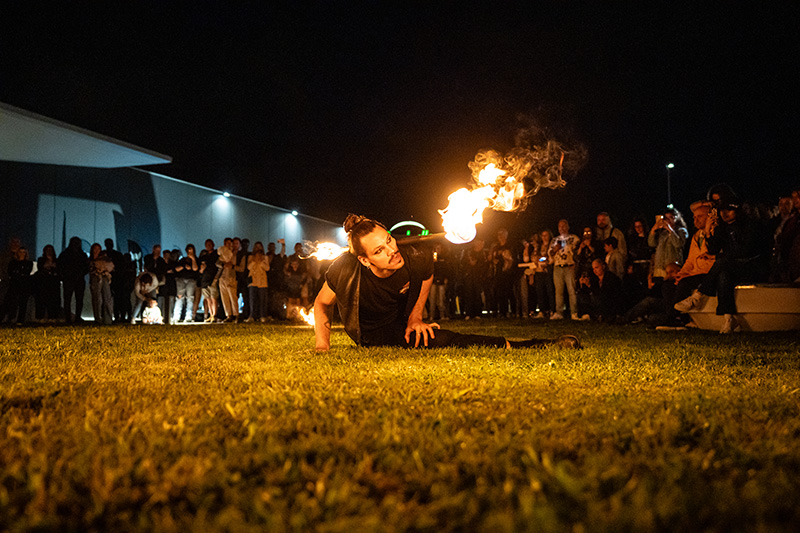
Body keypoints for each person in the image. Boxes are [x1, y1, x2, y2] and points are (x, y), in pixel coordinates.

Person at [313, 214, 580, 351]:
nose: (391, 251)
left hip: (401, 317)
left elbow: (427, 273)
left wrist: (416, 316)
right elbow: (322, 304)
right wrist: (322, 345)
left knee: (421, 329)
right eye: (378, 251)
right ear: (363, 260)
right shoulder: (345, 269)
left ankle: (532, 343)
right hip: (372, 332)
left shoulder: (413, 256)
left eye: (389, 241)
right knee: (438, 340)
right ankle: (528, 345)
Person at [675, 197, 771, 333]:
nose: (725, 214)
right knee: (723, 274)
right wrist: (708, 232)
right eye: (722, 210)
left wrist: (718, 256)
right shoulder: (723, 227)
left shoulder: (749, 225)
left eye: (729, 210)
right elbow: (713, 249)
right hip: (732, 267)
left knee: (722, 262)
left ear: (737, 210)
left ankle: (698, 295)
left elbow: (744, 251)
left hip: (753, 266)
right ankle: (728, 319)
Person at [668, 200, 717, 326]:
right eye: (694, 217)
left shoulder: (715, 234)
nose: (696, 220)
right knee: (668, 284)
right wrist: (681, 273)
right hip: (695, 272)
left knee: (685, 283)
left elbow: (712, 261)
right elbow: (690, 260)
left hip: (708, 274)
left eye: (700, 216)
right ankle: (678, 318)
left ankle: (671, 319)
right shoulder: (696, 236)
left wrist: (687, 276)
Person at [548, 219, 579, 320]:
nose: (562, 228)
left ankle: (574, 312)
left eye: (564, 226)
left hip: (569, 266)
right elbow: (550, 254)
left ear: (568, 227)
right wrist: (555, 249)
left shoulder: (574, 238)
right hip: (558, 267)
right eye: (560, 226)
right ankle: (559, 312)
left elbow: (577, 251)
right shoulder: (554, 240)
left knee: (571, 290)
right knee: (559, 291)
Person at [648, 208, 688, 282]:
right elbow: (651, 243)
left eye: (671, 217)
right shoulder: (662, 232)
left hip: (672, 268)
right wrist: (653, 229)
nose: (668, 220)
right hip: (660, 266)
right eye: (666, 218)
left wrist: (670, 230)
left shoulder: (681, 231)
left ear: (676, 218)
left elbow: (678, 244)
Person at [58, 236, 89, 323]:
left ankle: (74, 317)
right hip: (71, 279)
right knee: (70, 300)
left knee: (76, 299)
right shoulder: (68, 254)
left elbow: (86, 267)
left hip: (75, 280)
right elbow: (60, 266)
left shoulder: (68, 254)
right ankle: (71, 318)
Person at [489, 228, 517, 317]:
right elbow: (492, 258)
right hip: (498, 273)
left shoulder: (509, 246)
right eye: (499, 235)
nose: (500, 236)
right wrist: (494, 260)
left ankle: (513, 311)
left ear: (506, 235)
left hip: (508, 273)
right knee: (500, 292)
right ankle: (503, 311)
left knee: (509, 292)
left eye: (502, 234)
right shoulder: (496, 247)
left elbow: (512, 258)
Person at [460, 237, 488, 320]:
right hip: (469, 276)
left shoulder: (482, 253)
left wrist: (478, 266)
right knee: (468, 294)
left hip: (478, 276)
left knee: (477, 294)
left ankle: (477, 313)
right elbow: (462, 263)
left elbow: (485, 264)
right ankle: (468, 313)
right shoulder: (468, 251)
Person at [4, 247, 34, 323]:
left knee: (23, 303)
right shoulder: (12, 263)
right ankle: (9, 318)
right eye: (20, 252)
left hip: (24, 285)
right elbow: (11, 272)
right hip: (14, 285)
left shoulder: (29, 263)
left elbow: (26, 272)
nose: (22, 254)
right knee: (10, 302)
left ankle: (20, 320)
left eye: (23, 252)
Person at [88, 242, 114, 325]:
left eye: (98, 249)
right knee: (97, 299)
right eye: (94, 249)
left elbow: (110, 266)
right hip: (95, 279)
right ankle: (98, 318)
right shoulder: (90, 259)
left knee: (107, 298)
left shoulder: (104, 257)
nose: (96, 250)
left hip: (105, 278)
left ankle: (108, 319)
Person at [173, 244, 199, 323]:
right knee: (180, 298)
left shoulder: (196, 260)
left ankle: (188, 316)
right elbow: (176, 269)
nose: (189, 252)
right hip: (181, 280)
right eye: (188, 250)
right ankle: (176, 316)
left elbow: (195, 269)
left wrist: (193, 259)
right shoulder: (182, 260)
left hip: (191, 280)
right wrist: (184, 266)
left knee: (190, 298)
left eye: (191, 250)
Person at [35, 244, 61, 322]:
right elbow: (40, 269)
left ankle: (53, 317)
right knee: (42, 300)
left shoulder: (57, 261)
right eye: (47, 250)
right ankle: (40, 317)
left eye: (50, 250)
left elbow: (59, 271)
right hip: (43, 283)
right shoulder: (41, 260)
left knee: (53, 301)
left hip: (54, 284)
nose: (49, 252)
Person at [246, 241, 270, 322]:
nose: (258, 248)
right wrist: (254, 261)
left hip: (262, 281)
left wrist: (261, 262)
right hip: (253, 280)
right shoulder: (250, 257)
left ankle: (262, 316)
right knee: (253, 299)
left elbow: (267, 268)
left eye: (260, 247)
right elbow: (249, 267)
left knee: (262, 299)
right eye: (256, 247)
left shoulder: (265, 257)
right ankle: (252, 316)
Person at [217, 238, 239, 322]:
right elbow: (218, 263)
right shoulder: (222, 253)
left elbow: (237, 266)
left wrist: (232, 266)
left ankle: (235, 315)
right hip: (222, 277)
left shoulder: (234, 253)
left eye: (231, 243)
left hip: (231, 278)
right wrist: (223, 264)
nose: (230, 245)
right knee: (224, 297)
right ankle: (228, 315)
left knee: (233, 297)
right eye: (228, 243)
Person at [198, 239, 220, 322]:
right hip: (204, 280)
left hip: (212, 279)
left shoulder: (216, 255)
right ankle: (211, 315)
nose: (208, 246)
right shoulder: (204, 257)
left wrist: (216, 278)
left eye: (210, 244)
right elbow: (199, 270)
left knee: (214, 298)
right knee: (208, 299)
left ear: (213, 245)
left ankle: (215, 315)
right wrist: (202, 270)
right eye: (207, 244)